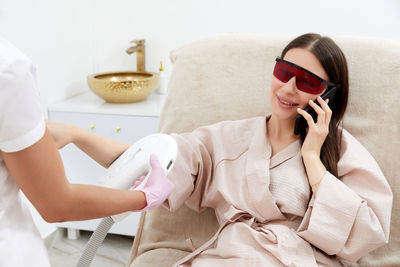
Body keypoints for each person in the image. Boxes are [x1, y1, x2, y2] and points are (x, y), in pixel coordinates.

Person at [47, 33, 393, 266]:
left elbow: (366, 232)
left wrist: (312, 160)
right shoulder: (228, 138)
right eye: (284, 71)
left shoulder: (341, 149)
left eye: (307, 82)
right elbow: (149, 158)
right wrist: (79, 136)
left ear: (328, 94)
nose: (288, 87)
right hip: (227, 257)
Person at [0, 36, 174, 267]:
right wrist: (143, 198)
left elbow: (138, 157)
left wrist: (76, 134)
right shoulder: (8, 69)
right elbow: (57, 205)